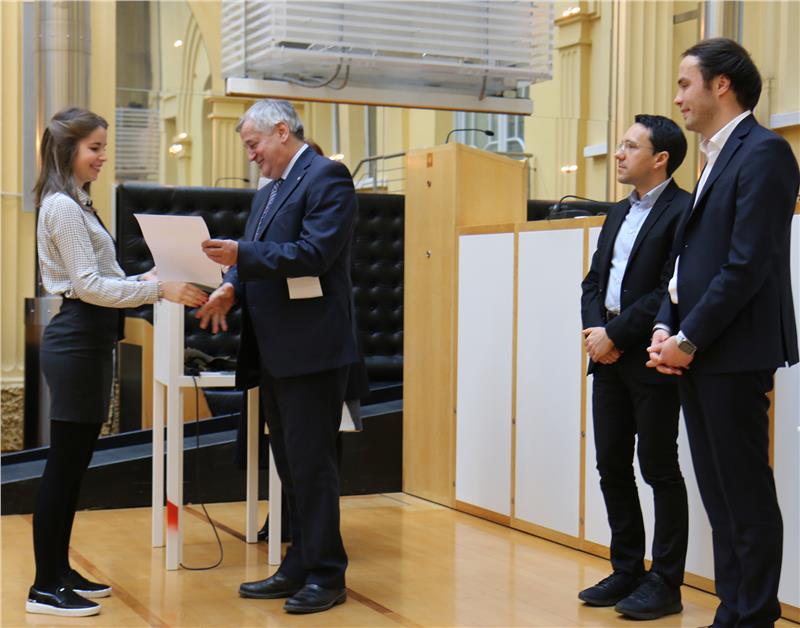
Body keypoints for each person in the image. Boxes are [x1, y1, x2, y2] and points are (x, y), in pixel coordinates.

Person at [28, 107, 207, 617]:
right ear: (69, 150)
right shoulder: (63, 207)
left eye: (103, 147)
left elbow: (105, 279)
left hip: (89, 341)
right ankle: (44, 585)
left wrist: (152, 277)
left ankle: (59, 570)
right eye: (95, 148)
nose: (103, 156)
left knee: (73, 468)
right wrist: (159, 290)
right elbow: (88, 287)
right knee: (63, 469)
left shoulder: (78, 203)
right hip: (76, 342)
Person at [647, 38, 799, 627]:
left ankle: (753, 615)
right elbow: (686, 261)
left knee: (744, 493)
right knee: (717, 493)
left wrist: (688, 340)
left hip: (732, 350)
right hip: (701, 348)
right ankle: (732, 611)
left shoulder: (765, 151)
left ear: (721, 85)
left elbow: (746, 265)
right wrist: (666, 323)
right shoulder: (714, 157)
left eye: (685, 83)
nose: (678, 97)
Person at [197, 99, 358, 614]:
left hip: (313, 349)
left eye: (254, 144)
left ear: (282, 131)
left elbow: (314, 253)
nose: (251, 155)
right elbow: (252, 253)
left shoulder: (327, 177)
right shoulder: (270, 190)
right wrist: (230, 286)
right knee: (290, 465)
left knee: (313, 466)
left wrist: (240, 257)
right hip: (275, 348)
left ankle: (328, 574)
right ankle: (298, 564)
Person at [580, 115, 691, 619]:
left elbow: (670, 289)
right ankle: (626, 569)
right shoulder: (617, 212)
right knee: (611, 464)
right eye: (620, 145)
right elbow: (593, 282)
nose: (619, 154)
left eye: (630, 146)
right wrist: (594, 333)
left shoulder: (684, 210)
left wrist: (616, 336)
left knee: (659, 468)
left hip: (650, 355)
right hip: (606, 356)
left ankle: (666, 582)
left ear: (660, 158)